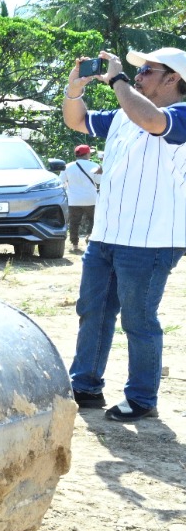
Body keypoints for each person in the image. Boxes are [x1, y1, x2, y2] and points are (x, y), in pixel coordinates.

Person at [62, 47, 186, 421]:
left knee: (138, 320)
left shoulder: (179, 114)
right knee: (93, 312)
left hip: (151, 240)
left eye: (147, 70)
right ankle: (85, 385)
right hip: (106, 235)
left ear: (173, 78)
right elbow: (77, 120)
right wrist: (74, 88)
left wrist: (117, 80)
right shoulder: (123, 114)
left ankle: (142, 398)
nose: (139, 75)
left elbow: (152, 121)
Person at [61, 143, 102, 252]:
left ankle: (74, 244)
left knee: (74, 222)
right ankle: (89, 238)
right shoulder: (94, 166)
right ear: (87, 154)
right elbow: (99, 181)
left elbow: (61, 181)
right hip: (91, 199)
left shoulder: (67, 166)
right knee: (93, 220)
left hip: (74, 200)